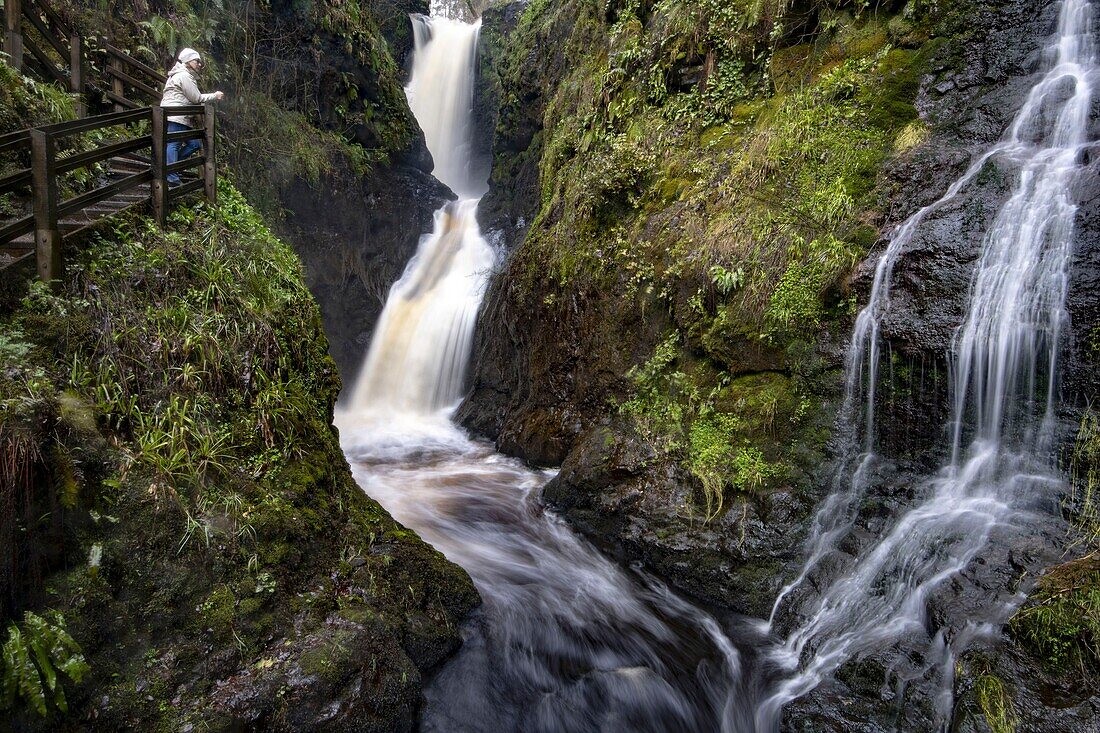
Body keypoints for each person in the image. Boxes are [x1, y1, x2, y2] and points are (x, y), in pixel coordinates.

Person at [160, 48, 224, 185]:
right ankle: (170, 175)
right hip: (175, 114)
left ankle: (170, 167)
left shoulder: (182, 74)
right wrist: (215, 95)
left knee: (194, 144)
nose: (199, 64)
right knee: (173, 144)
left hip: (179, 115)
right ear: (188, 61)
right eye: (197, 61)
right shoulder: (183, 75)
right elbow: (196, 98)